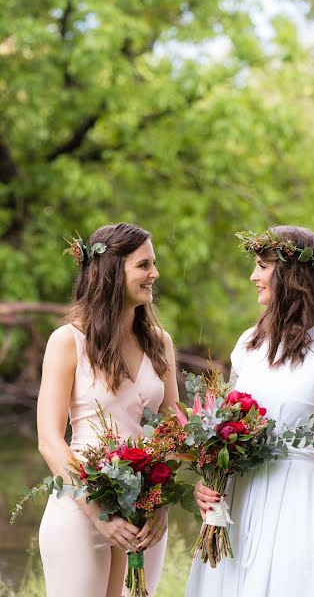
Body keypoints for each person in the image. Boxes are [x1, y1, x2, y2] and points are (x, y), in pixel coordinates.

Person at [187, 225, 314, 597]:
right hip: (237, 499)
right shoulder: (248, 345)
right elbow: (225, 426)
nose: (253, 276)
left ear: (293, 275)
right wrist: (209, 482)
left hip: (297, 503)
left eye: (261, 266)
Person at [38, 222, 178, 597]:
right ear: (113, 272)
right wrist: (99, 513)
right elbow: (50, 441)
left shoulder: (160, 343)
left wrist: (160, 504)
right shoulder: (67, 341)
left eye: (153, 264)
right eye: (144, 265)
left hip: (143, 513)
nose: (155, 274)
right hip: (82, 507)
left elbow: (172, 431)